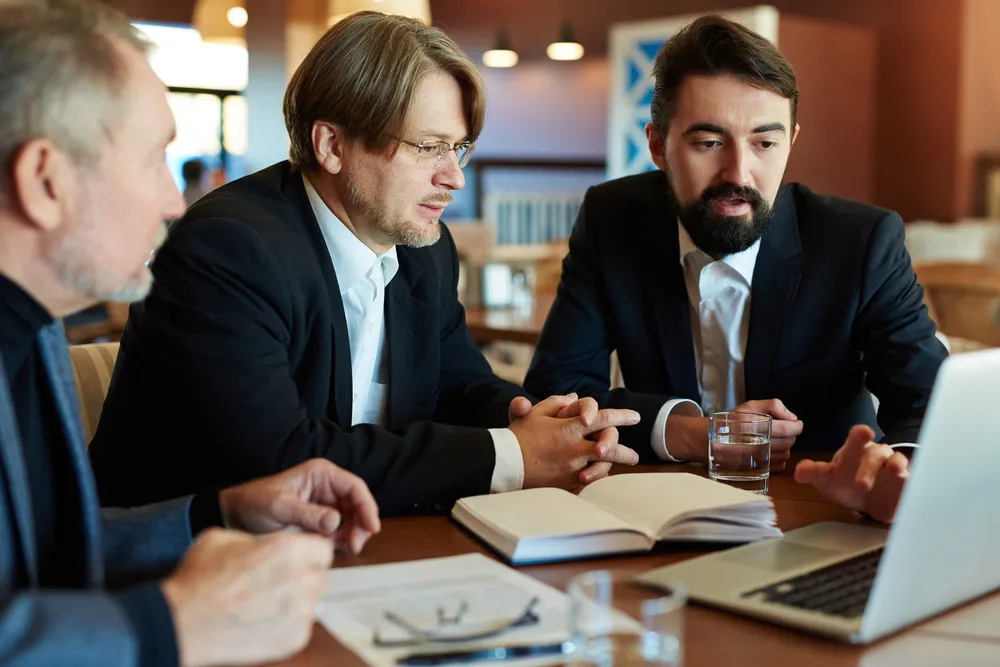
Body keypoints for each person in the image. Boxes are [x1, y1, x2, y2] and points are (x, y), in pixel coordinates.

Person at [88, 10, 641, 515]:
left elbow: (460, 389)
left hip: (359, 543)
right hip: (175, 573)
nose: (455, 176)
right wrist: (512, 455)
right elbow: (280, 462)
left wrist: (560, 427)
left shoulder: (426, 251)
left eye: (459, 148)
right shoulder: (230, 248)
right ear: (331, 145)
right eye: (429, 147)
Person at [0, 2, 382, 665]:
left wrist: (219, 512)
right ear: (44, 181)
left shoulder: (33, 331)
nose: (174, 201)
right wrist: (166, 623)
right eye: (155, 160)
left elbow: (38, 557)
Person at [523, 16, 946, 493]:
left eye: (765, 143)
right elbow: (556, 392)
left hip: (817, 504)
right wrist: (689, 434)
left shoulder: (861, 240)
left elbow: (927, 401)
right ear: (659, 146)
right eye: (709, 142)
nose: (739, 174)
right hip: (658, 503)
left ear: (791, 142)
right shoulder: (612, 219)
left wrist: (894, 478)